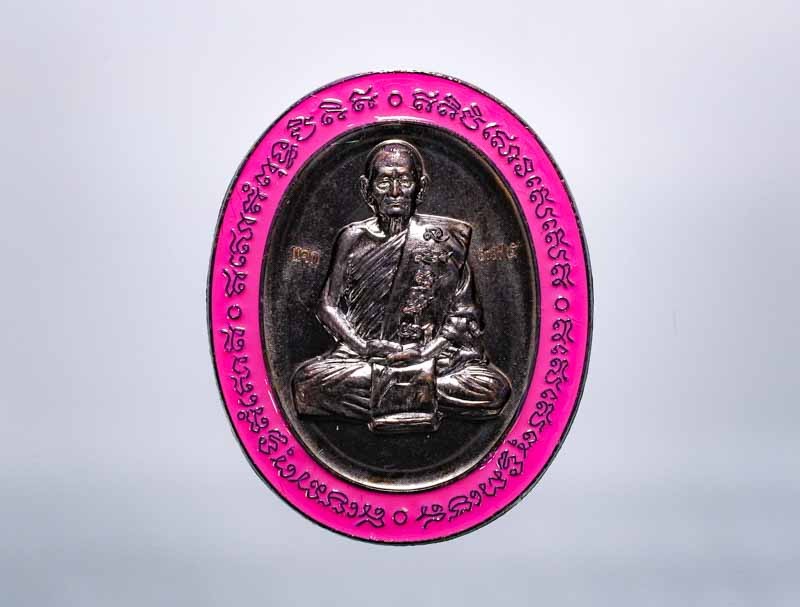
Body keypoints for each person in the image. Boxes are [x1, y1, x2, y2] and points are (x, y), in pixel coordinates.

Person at [292, 139, 510, 432]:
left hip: (431, 357)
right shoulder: (353, 238)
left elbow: (464, 315)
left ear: (420, 187)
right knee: (307, 384)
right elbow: (327, 305)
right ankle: (416, 395)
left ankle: (397, 392)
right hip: (363, 358)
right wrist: (363, 346)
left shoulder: (444, 240)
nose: (394, 192)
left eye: (404, 181)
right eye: (384, 182)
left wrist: (425, 352)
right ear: (366, 188)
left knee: (493, 389)